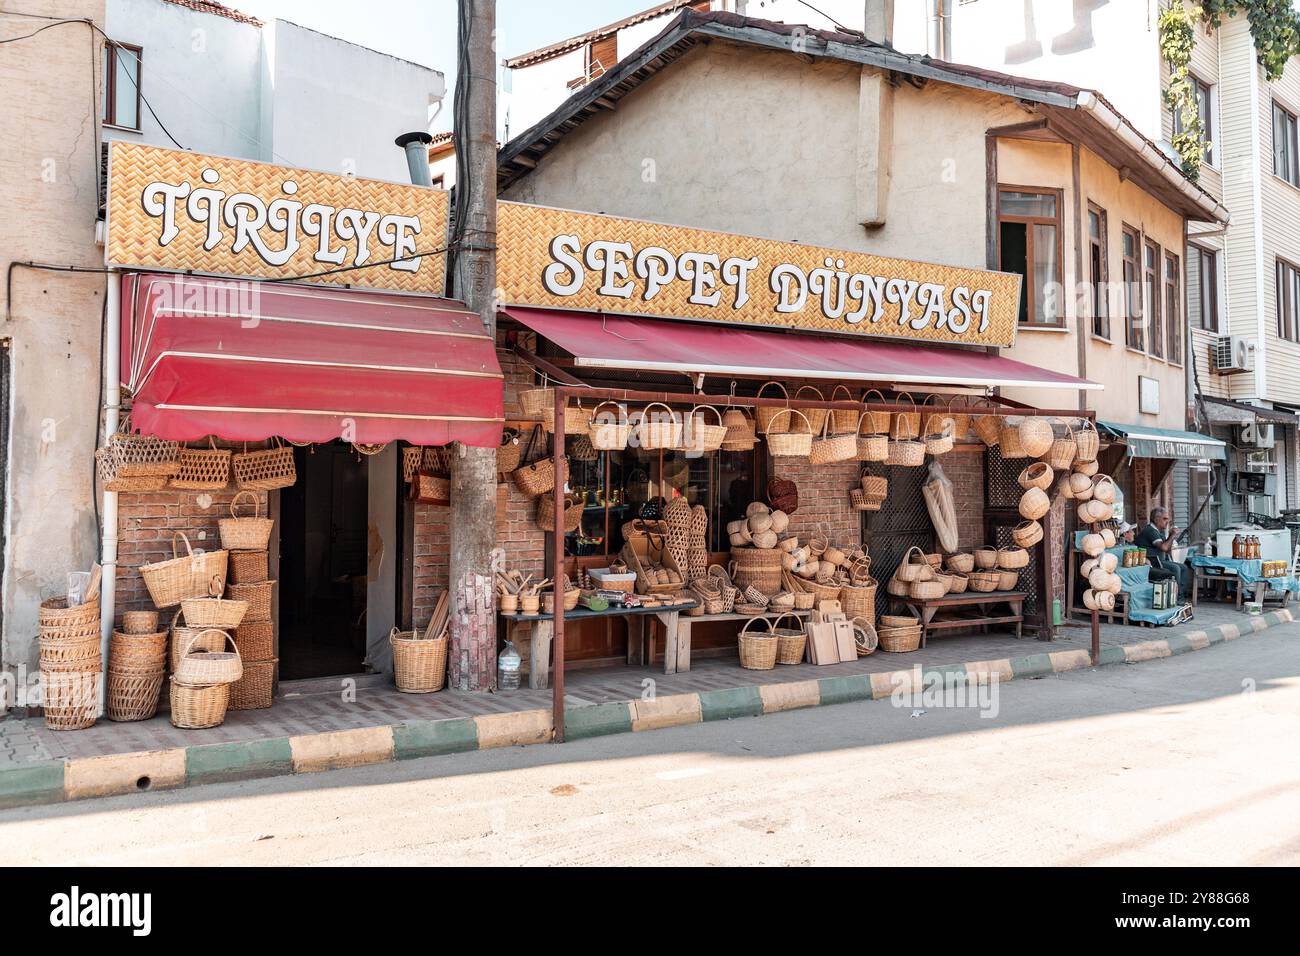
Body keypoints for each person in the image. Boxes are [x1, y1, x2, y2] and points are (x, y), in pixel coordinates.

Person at [1135, 507, 1190, 596]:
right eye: (1164, 519)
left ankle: (1180, 595)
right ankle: (1175, 597)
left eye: (1168, 519)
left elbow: (1167, 550)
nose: (1167, 522)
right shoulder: (1150, 530)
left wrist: (1171, 537)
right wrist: (1172, 535)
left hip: (1161, 561)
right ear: (1156, 519)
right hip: (1151, 562)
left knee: (1183, 567)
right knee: (1176, 568)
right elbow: (1164, 548)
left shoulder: (1159, 532)